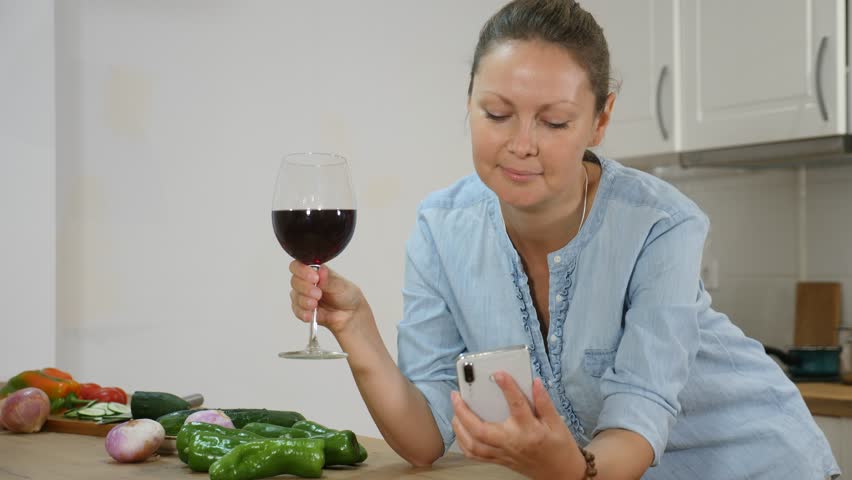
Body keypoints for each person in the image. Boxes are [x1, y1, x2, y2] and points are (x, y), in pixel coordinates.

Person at [288, 0, 840, 478]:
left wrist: (571, 468)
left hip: (761, 464)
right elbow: (425, 436)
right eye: (497, 113)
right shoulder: (442, 229)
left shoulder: (661, 224)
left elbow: (637, 421)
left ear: (600, 121)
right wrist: (354, 327)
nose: (521, 144)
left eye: (553, 122)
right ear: (469, 102)